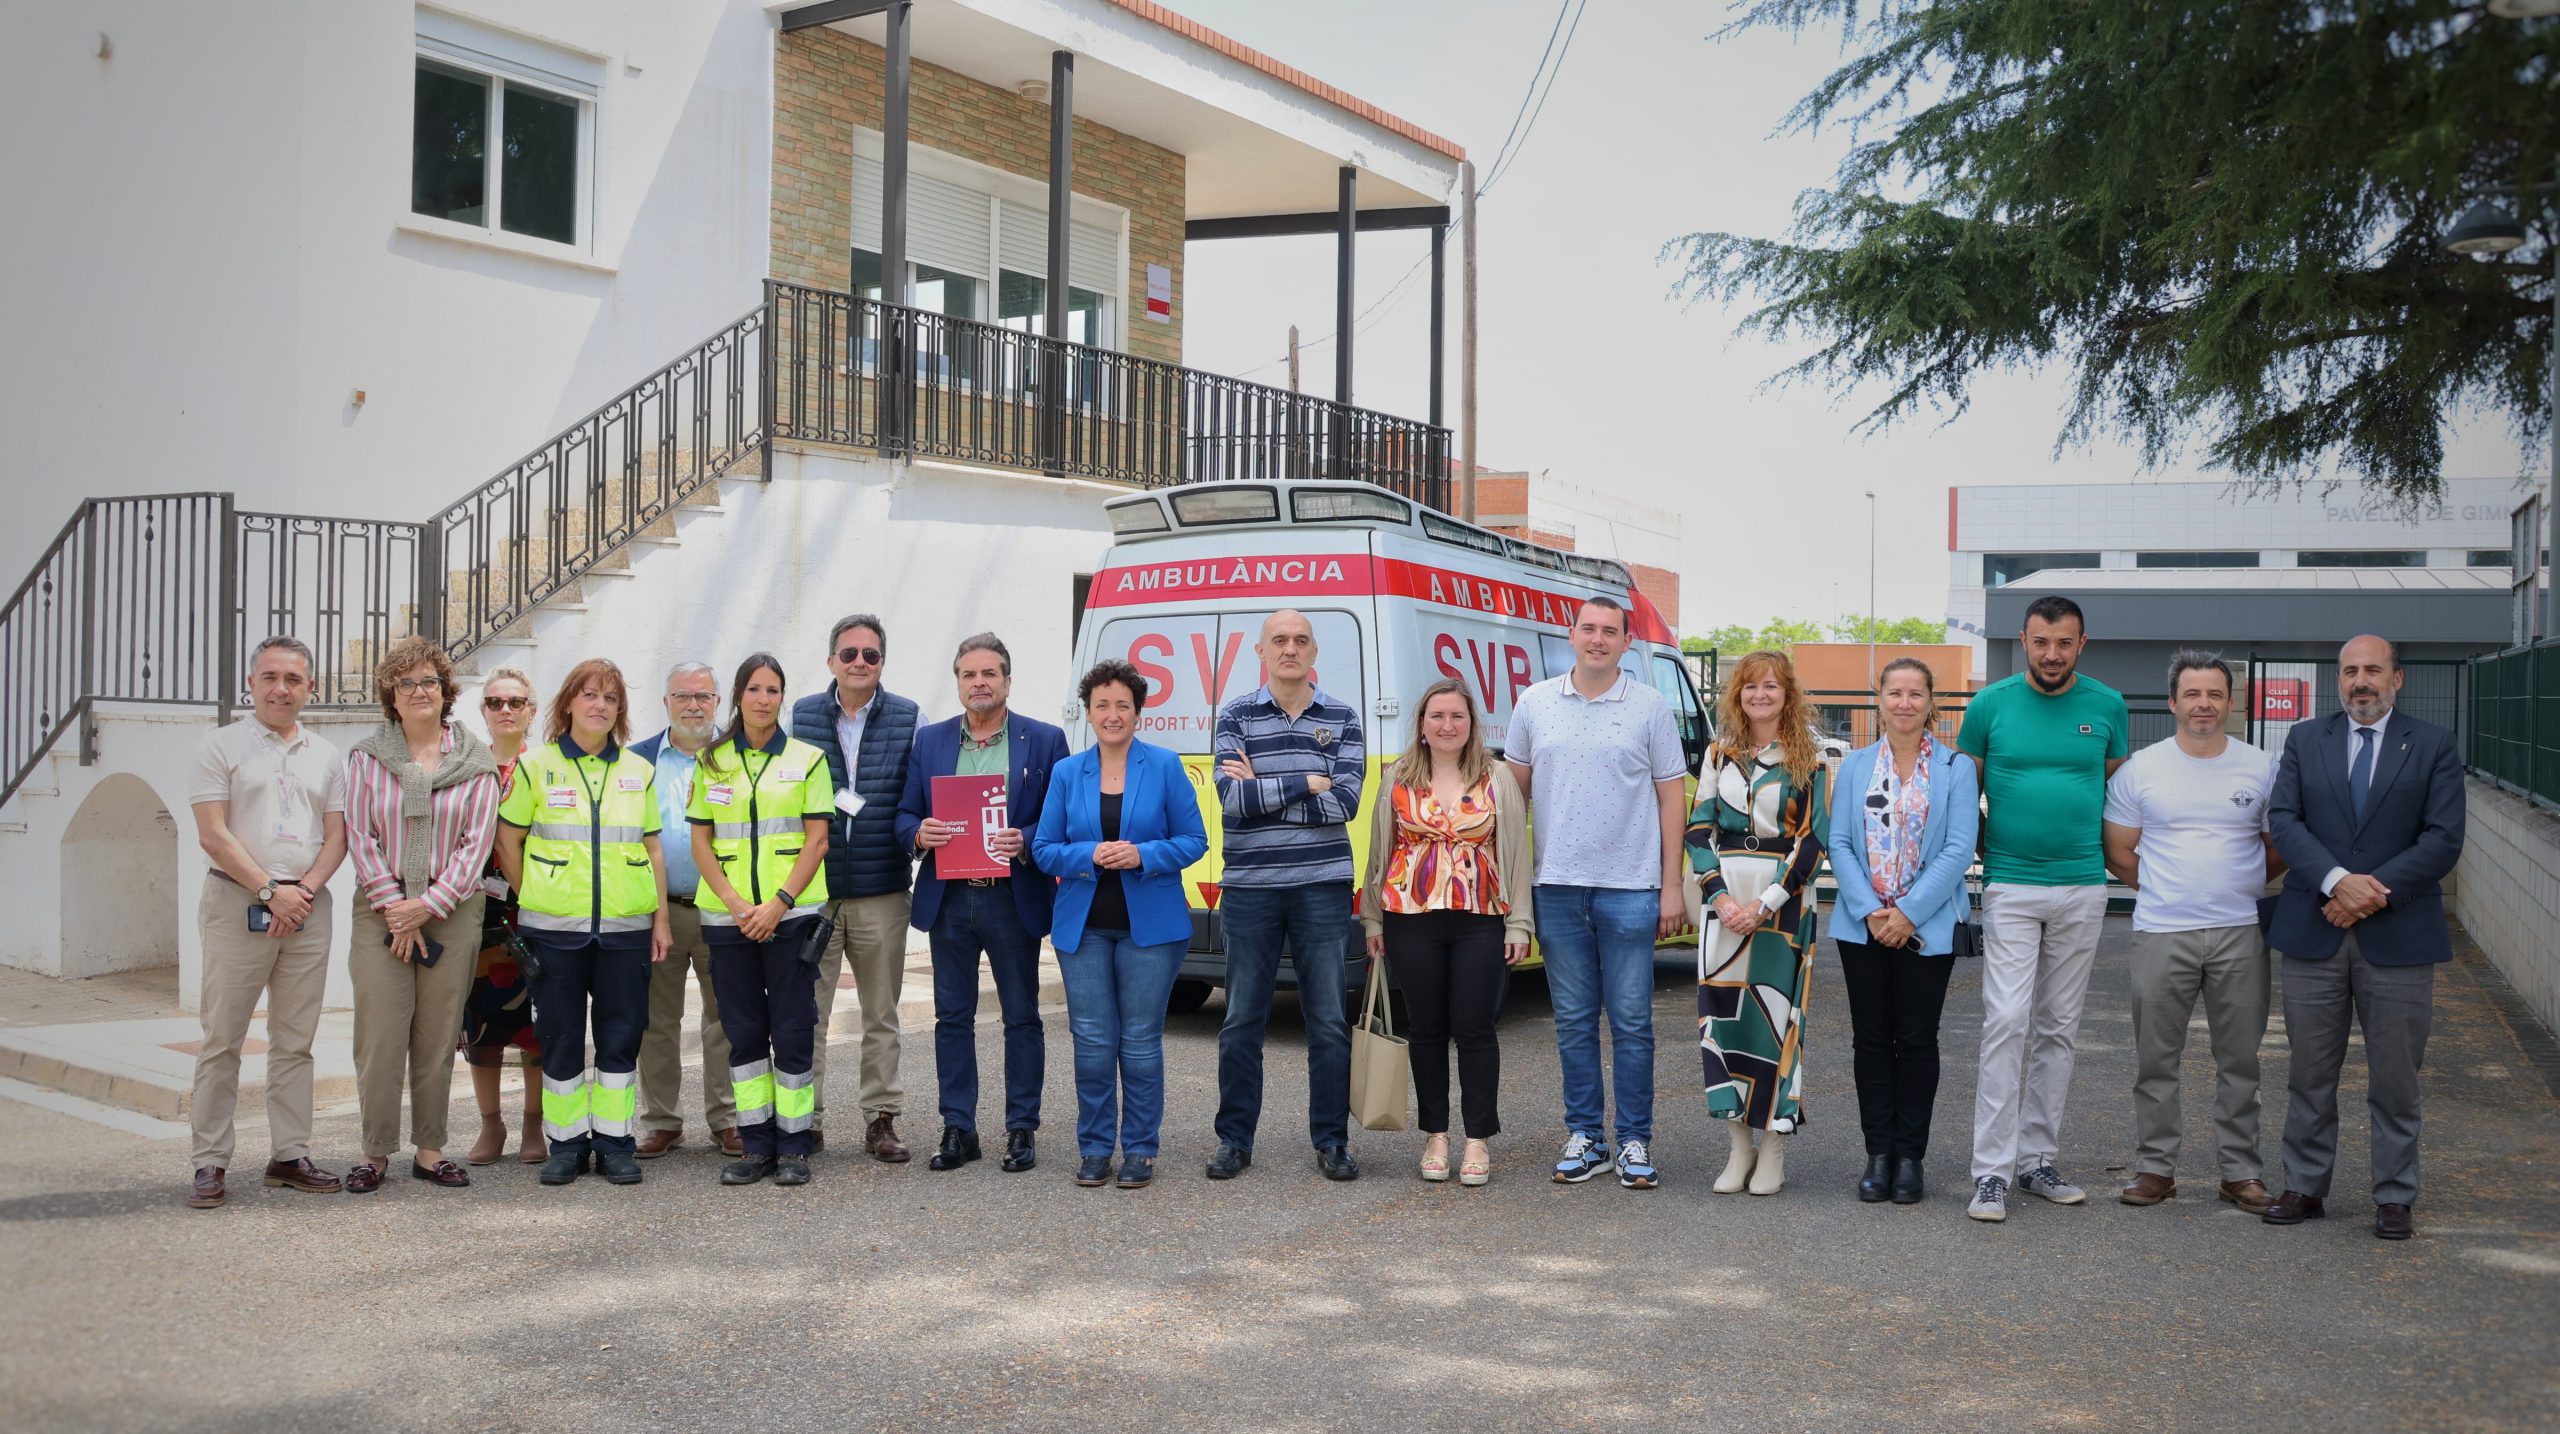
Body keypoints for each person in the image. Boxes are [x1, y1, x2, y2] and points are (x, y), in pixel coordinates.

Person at [2262, 635, 2466, 1241]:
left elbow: (2444, 837)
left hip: (2399, 934)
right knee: (2308, 1072)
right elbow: (2283, 820)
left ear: (2397, 679)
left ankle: (2394, 1195)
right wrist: (2335, 881)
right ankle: (2304, 1185)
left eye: (2373, 670)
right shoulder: (2304, 739)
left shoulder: (2433, 744)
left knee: (2397, 1077)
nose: (2360, 682)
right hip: (2314, 930)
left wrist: (2368, 892)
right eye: (2350, 671)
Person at [1505, 596, 1689, 1191]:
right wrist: (1512, 893)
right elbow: (1515, 801)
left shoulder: (1650, 707)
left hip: (1631, 889)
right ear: (1571, 634)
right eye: (1589, 628)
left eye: (1611, 631)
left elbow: (1671, 799)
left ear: (1627, 642)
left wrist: (1670, 888)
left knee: (1633, 1022)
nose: (1599, 640)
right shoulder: (1534, 703)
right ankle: (1586, 1136)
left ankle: (1634, 1139)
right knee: (1574, 1021)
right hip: (1556, 886)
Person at [1958, 595, 2129, 1223]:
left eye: (2064, 643)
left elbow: (2116, 797)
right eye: (2040, 642)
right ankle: (1991, 1174)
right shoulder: (1989, 705)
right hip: (2011, 886)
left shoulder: (2107, 706)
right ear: (2023, 641)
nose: (2051, 654)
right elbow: (1962, 799)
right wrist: (1989, 848)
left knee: (2058, 1027)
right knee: (2006, 1020)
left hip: (2084, 887)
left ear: (2081, 644)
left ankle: (2036, 1160)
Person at [2103, 650, 2284, 1214]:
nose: (2203, 704)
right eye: (2192, 694)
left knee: (2241, 1060)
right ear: (2173, 702)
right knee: (2157, 1058)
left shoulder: (2262, 767)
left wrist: (2241, 883)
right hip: (2162, 931)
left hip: (2239, 930)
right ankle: (2156, 1168)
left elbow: (2280, 848)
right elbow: (2119, 850)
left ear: (2232, 703)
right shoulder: (2142, 769)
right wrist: (2164, 888)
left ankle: (2241, 1173)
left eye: (2214, 695)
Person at [494, 658, 674, 1187]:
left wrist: (660, 920)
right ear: (568, 702)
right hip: (554, 933)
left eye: (610, 698)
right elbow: (508, 841)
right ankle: (567, 1144)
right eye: (590, 695)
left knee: (621, 1036)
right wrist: (538, 897)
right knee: (560, 1036)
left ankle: (616, 1143)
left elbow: (652, 849)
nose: (599, 705)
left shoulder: (638, 770)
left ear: (619, 712)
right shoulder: (536, 766)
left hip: (625, 931)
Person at [184, 635, 349, 1208]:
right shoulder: (220, 746)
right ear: (251, 683)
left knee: (295, 1040)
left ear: (310, 688)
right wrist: (266, 890)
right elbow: (213, 833)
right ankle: (209, 1161)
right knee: (223, 1039)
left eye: (294, 680)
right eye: (270, 677)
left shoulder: (327, 755)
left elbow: (337, 836)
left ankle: (289, 1153)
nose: (282, 688)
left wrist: (299, 892)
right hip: (237, 905)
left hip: (307, 907)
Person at [1033, 659, 1210, 1189]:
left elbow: (1194, 841)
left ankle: (1139, 1149)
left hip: (1151, 929)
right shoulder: (1068, 772)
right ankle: (1093, 1148)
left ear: (1139, 713)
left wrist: (1141, 854)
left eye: (1123, 706)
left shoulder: (1164, 766)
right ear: (1088, 712)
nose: (1112, 715)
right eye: (1102, 705)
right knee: (1090, 1041)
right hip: (1082, 929)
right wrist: (1088, 854)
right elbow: (1043, 849)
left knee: (1138, 1040)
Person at [1208, 609, 1368, 1184]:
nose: (1290, 648)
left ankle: (1332, 1141)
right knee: (1241, 1020)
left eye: (1300, 640)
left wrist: (1266, 788)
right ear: (1261, 651)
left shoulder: (1343, 717)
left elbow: (1345, 803)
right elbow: (1232, 799)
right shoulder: (1234, 715)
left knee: (1327, 1020)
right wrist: (1307, 781)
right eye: (1280, 640)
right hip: (1250, 889)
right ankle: (1233, 1140)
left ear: (1314, 651)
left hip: (1322, 888)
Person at [896, 632, 1066, 1173]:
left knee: (1021, 1017)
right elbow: (903, 815)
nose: (979, 683)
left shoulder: (1044, 740)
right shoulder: (931, 742)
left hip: (1011, 897)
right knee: (952, 1018)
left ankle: (1021, 1130)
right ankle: (958, 1129)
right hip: (949, 899)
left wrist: (1028, 839)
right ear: (958, 682)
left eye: (989, 673)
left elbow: (1063, 818)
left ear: (1008, 681)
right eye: (969, 674)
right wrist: (919, 833)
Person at [342, 637, 502, 1193]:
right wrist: (396, 907)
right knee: (380, 1034)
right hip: (380, 910)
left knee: (436, 1036)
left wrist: (427, 906)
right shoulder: (366, 757)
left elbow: (476, 844)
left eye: (428, 681)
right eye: (405, 682)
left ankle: (431, 1150)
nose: (418, 691)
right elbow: (359, 836)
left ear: (445, 690)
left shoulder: (476, 760)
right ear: (390, 692)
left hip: (451, 909)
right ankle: (374, 1152)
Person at [1358, 679, 1533, 1187]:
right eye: (1437, 716)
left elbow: (1517, 857)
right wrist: (1373, 919)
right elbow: (1379, 851)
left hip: (1480, 918)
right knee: (1427, 1029)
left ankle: (1477, 1139)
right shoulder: (1397, 777)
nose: (1447, 725)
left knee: (1474, 1027)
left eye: (1457, 716)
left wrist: (1518, 922)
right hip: (1410, 918)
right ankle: (1436, 1135)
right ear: (1421, 724)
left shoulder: (1497, 778)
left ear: (1472, 723)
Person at [1826, 657, 1979, 1205]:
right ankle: (1878, 1154)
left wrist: (1908, 913)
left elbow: (1960, 846)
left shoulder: (1957, 768)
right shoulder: (1855, 765)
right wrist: (1870, 909)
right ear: (1880, 698)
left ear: (1931, 701)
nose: (1905, 703)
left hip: (1927, 927)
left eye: (1916, 693)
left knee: (1916, 1040)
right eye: (1895, 692)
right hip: (1861, 925)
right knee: (1870, 1040)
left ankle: (1910, 1156)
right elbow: (1838, 841)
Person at [1685, 650, 1830, 1198]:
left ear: (1788, 694)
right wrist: (1721, 898)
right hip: (1722, 901)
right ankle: (1737, 1145)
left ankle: (1772, 1144)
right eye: (1750, 687)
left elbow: (1814, 841)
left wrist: (1765, 903)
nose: (1760, 695)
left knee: (1773, 1019)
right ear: (1737, 695)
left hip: (1782, 905)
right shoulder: (1719, 754)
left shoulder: (1809, 759)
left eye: (1771, 686)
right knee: (1721, 1020)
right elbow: (1699, 830)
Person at [689, 653, 835, 1187]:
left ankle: (794, 1145)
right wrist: (735, 905)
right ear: (739, 695)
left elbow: (817, 840)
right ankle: (755, 1145)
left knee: (793, 1030)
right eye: (754, 688)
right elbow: (700, 841)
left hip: (792, 917)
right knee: (744, 1032)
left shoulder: (808, 760)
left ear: (782, 697)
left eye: (773, 690)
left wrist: (776, 903)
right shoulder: (713, 762)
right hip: (729, 922)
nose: (763, 698)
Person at [789, 614, 921, 1162]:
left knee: (881, 1015)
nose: (859, 663)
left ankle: (881, 1120)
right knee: (806, 1012)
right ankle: (806, 1119)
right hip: (814, 893)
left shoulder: (911, 717)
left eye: (870, 655)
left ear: (882, 662)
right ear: (831, 662)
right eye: (849, 654)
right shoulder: (800, 716)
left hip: (882, 890)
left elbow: (918, 795)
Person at [630, 662, 740, 1160]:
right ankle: (661, 1121)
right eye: (682, 696)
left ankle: (728, 1119)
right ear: (666, 702)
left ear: (719, 702)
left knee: (727, 1017)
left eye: (703, 696)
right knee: (657, 1019)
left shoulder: (739, 756)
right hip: (661, 909)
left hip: (725, 907)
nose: (693, 705)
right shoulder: (637, 762)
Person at [462, 666, 545, 1166]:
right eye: (496, 703)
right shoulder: (467, 766)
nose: (506, 710)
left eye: (516, 702)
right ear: (484, 713)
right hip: (478, 912)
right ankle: (491, 1126)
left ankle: (534, 1125)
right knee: (481, 1025)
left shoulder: (547, 765)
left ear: (532, 711)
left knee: (537, 1024)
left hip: (536, 907)